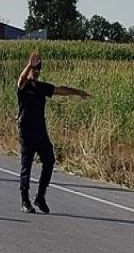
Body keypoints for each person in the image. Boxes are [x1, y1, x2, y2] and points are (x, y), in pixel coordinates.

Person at [15, 50, 90, 213]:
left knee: (49, 160)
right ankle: (25, 200)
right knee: (26, 165)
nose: (35, 72)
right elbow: (21, 80)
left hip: (40, 131)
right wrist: (29, 64)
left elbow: (60, 90)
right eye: (33, 70)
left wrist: (78, 93)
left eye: (37, 70)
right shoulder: (23, 87)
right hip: (26, 131)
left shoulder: (42, 88)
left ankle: (40, 197)